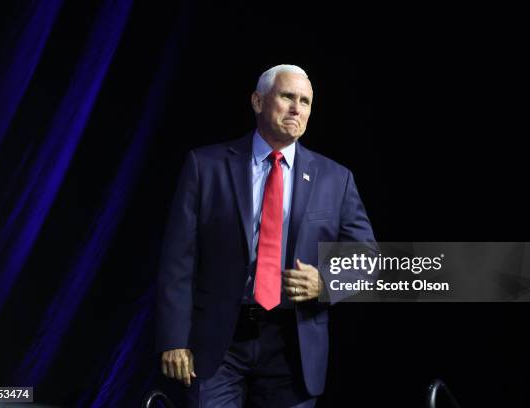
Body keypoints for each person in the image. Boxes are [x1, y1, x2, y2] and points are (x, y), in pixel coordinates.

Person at [156, 64, 376, 407]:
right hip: (219, 343)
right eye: (287, 96)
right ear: (258, 102)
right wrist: (173, 338)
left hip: (294, 345)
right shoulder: (206, 166)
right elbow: (177, 260)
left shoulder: (336, 178)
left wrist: (326, 283)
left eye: (305, 101)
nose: (296, 108)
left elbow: (367, 257)